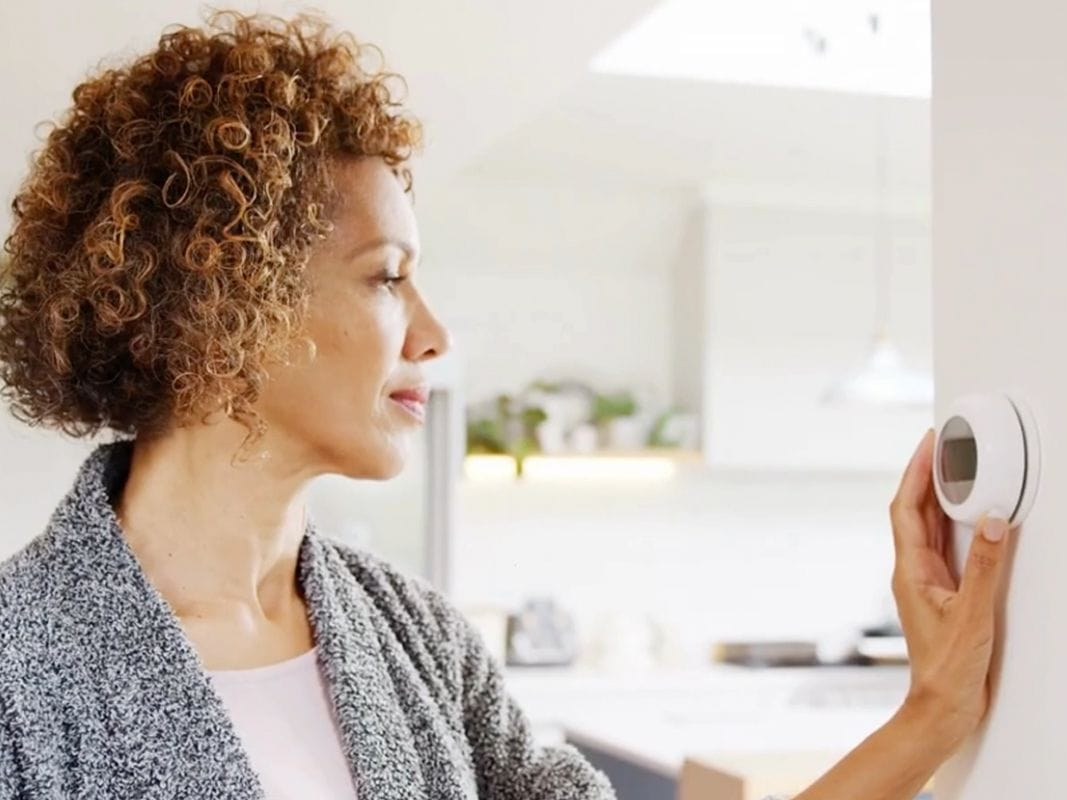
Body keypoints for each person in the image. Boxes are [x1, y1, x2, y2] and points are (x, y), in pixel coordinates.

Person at [0, 11, 1011, 800]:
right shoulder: (21, 669)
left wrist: (929, 710)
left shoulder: (413, 637)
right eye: (386, 275)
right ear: (229, 302)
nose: (434, 334)